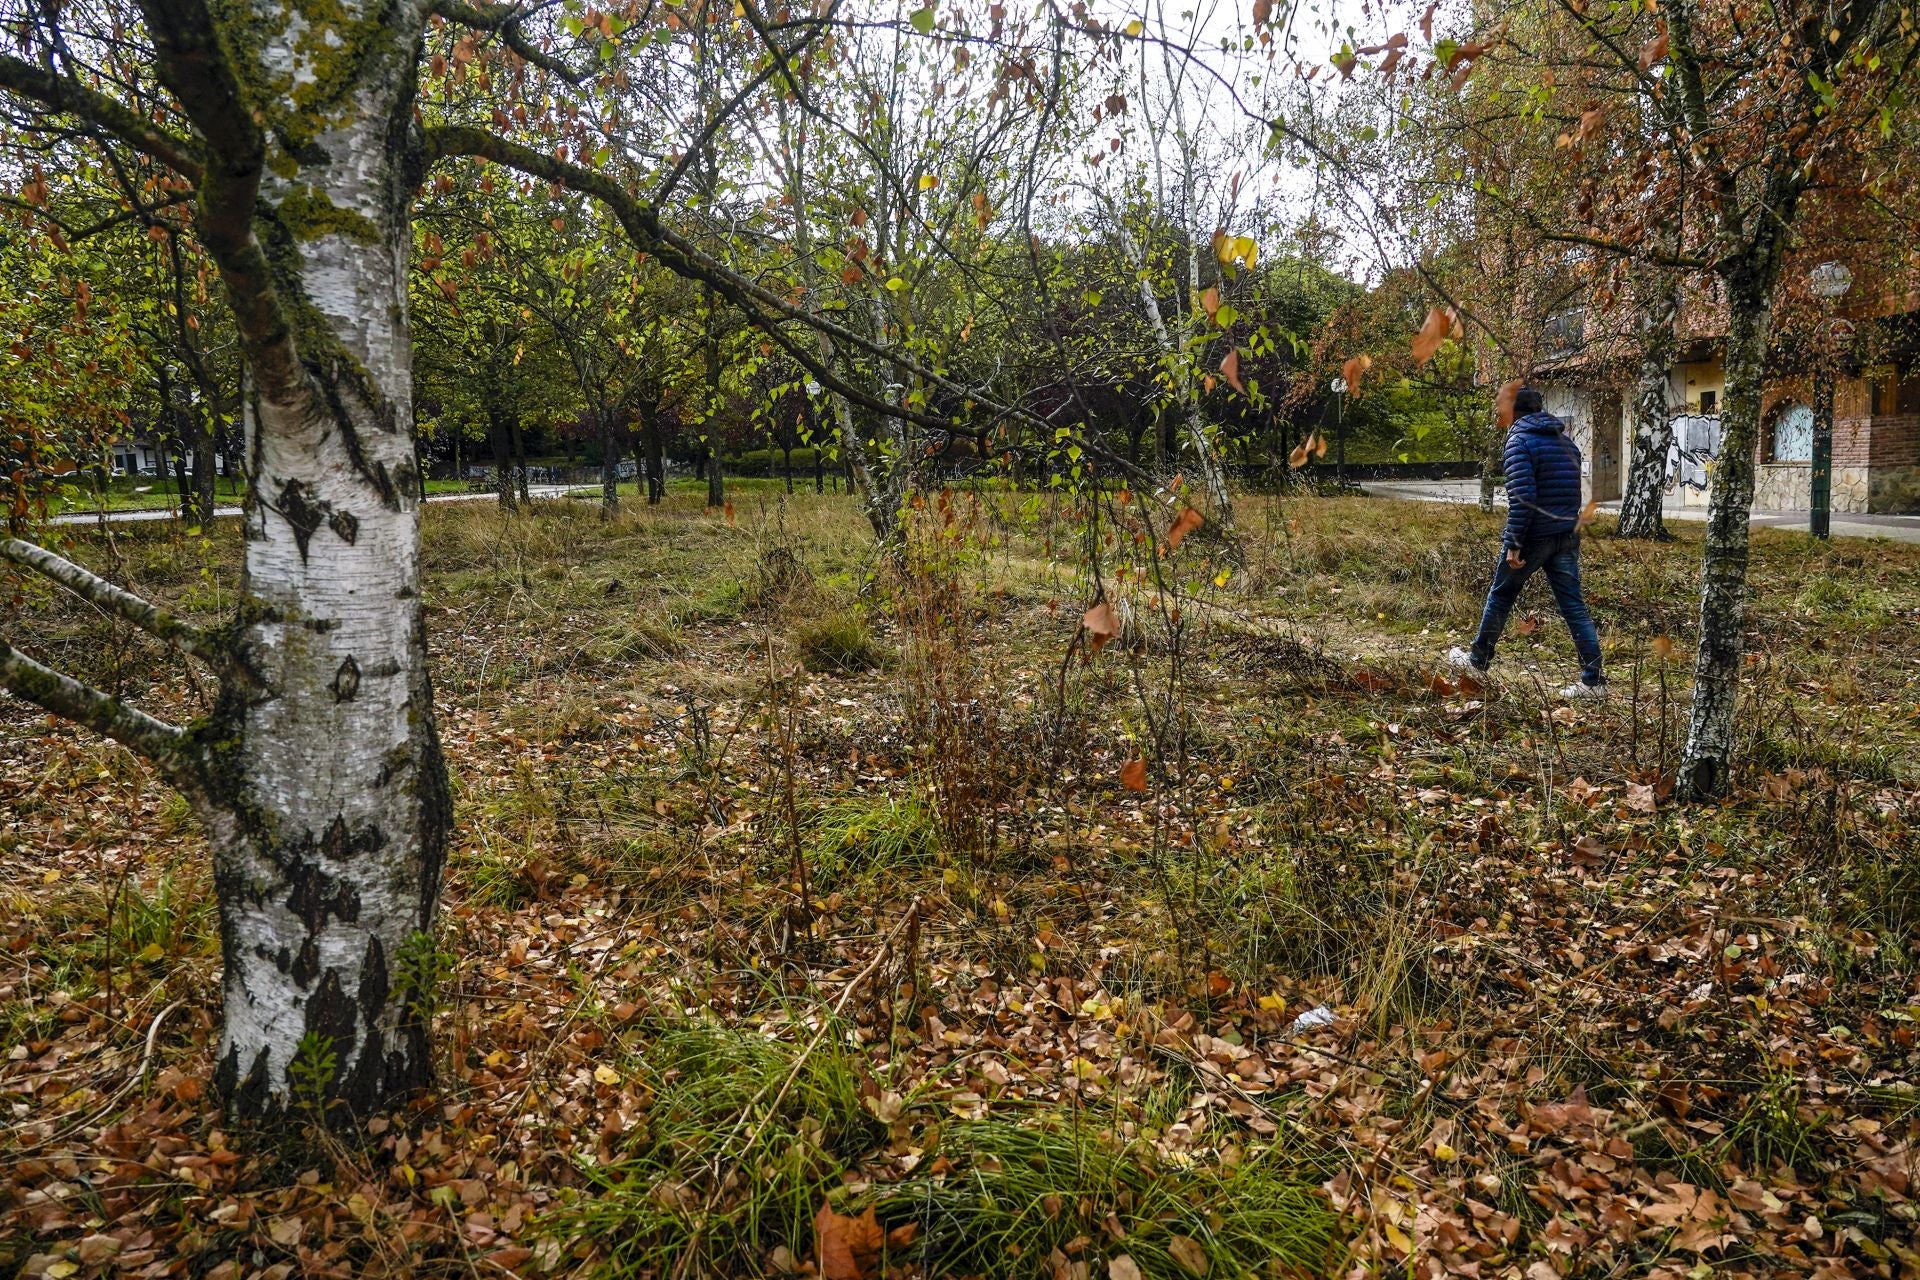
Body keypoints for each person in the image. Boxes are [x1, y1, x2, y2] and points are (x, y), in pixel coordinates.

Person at [1447, 387, 1606, 698]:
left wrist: (1515, 542)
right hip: (1567, 535)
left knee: (1502, 594)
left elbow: (1523, 499)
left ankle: (1477, 662)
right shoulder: (1566, 443)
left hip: (1534, 537)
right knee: (1574, 607)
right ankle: (1594, 682)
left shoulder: (1519, 442)